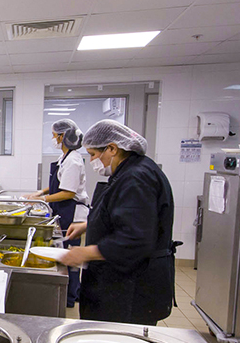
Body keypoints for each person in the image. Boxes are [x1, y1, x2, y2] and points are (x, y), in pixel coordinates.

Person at [58, 119, 175, 326]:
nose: (93, 161)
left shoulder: (136, 178)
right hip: (120, 282)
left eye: (93, 154)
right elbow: (124, 214)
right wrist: (89, 225)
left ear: (112, 148)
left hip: (129, 289)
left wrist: (85, 253)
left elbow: (135, 238)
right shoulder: (130, 171)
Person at [29, 119, 89, 306]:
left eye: (55, 135)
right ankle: (70, 292)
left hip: (71, 211)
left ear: (63, 137)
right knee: (64, 251)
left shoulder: (73, 160)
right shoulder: (65, 158)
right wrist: (42, 192)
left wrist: (43, 200)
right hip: (64, 209)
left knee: (70, 253)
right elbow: (60, 184)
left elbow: (68, 192)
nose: (53, 139)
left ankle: (70, 297)